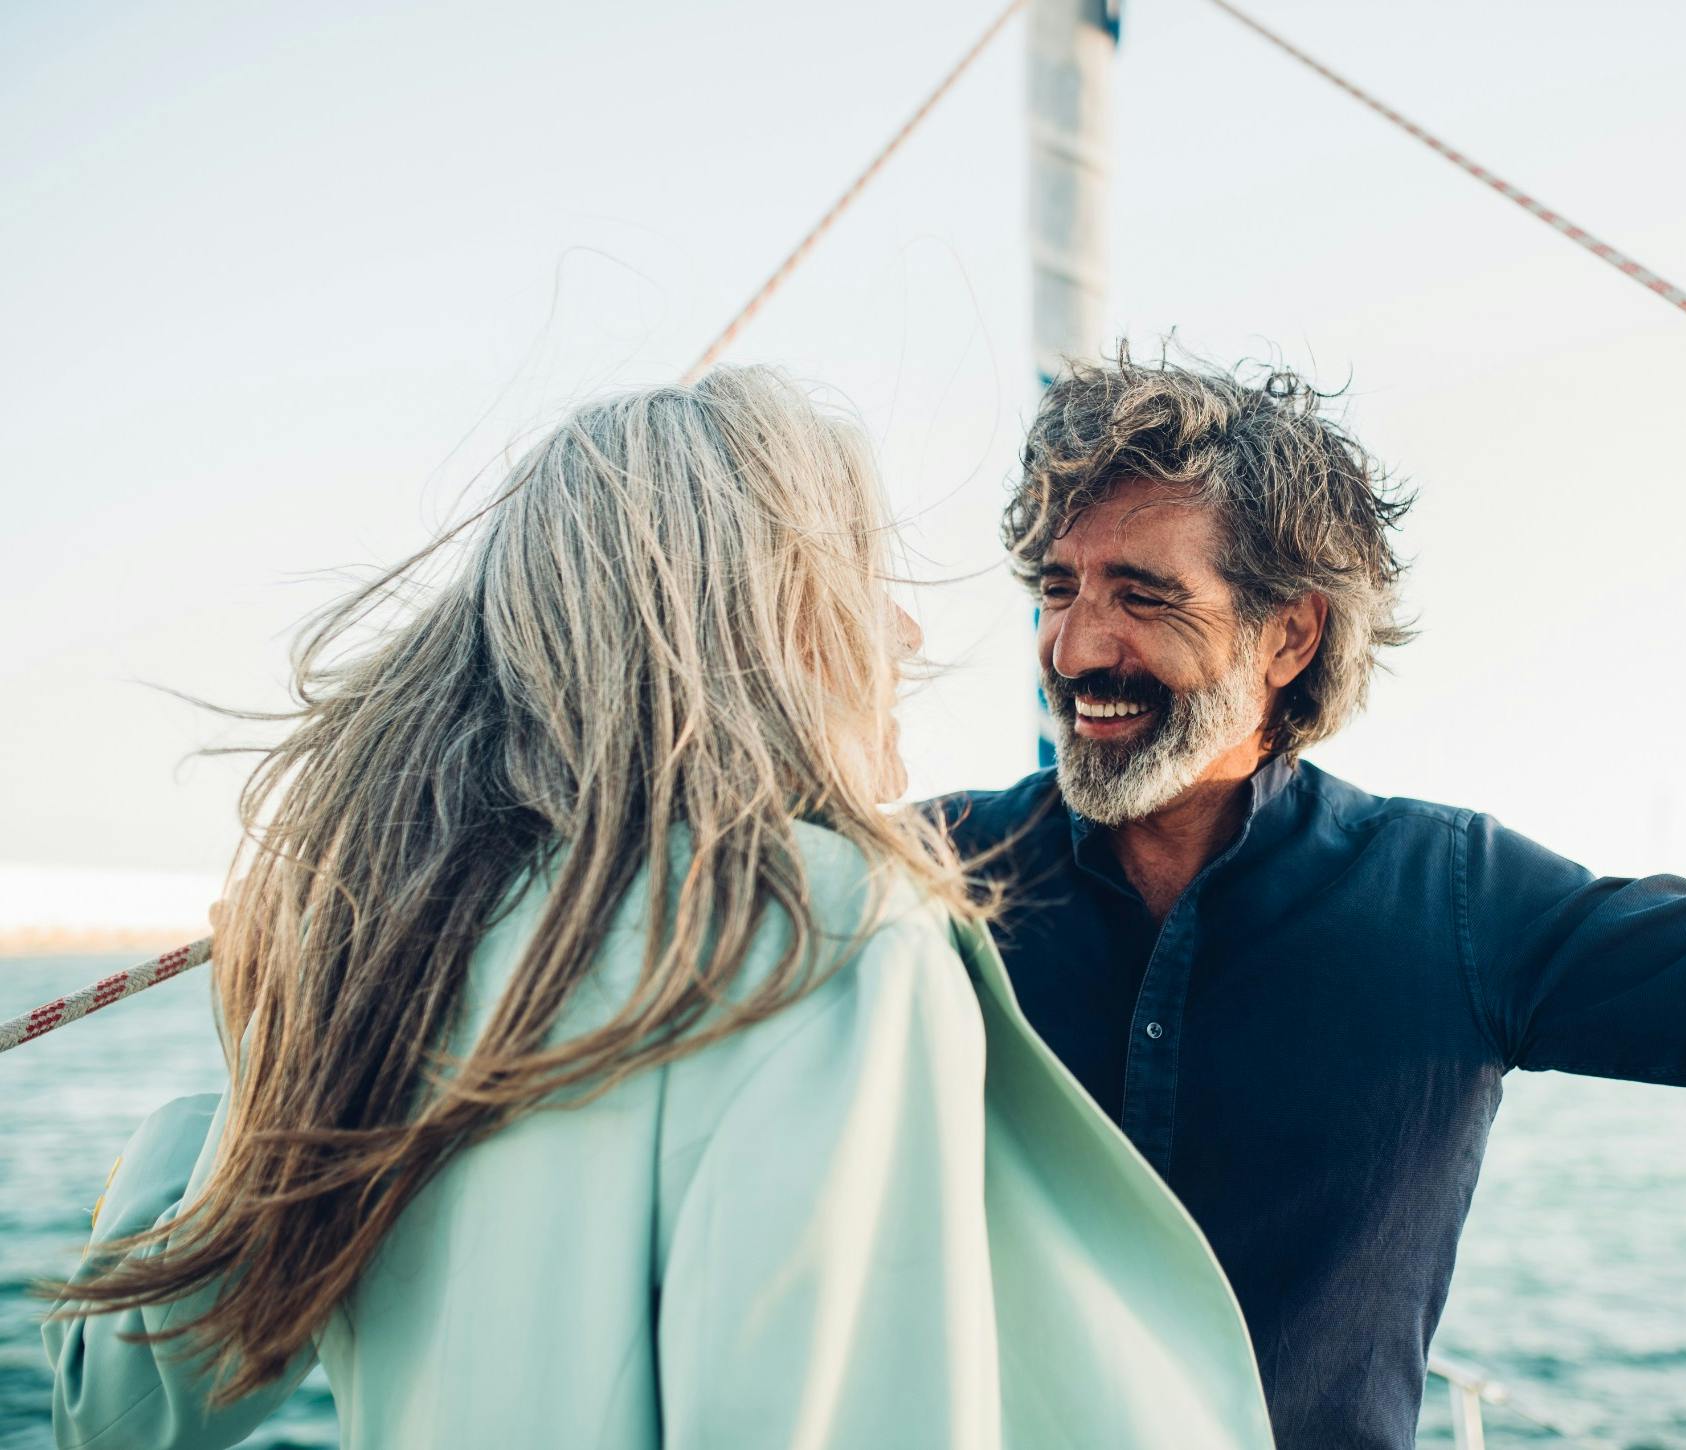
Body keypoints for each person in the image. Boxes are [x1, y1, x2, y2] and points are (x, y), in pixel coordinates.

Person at [934, 347, 1686, 1450]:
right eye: (1057, 588)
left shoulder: (1450, 898)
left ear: (1288, 636)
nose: (1077, 646)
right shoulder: (917, 881)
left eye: (1143, 595)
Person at [43, 367, 1276, 1450]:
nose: (899, 629)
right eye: (859, 574)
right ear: (760, 614)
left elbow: (115, 1414)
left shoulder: (390, 949)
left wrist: (270, 1036)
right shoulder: (823, 933)